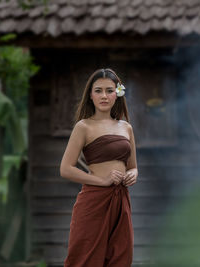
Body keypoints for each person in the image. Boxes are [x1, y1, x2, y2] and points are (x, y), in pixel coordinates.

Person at [59, 68, 138, 267]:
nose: (104, 96)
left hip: (121, 202)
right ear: (91, 95)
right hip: (93, 201)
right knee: (85, 259)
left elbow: (133, 166)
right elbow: (66, 169)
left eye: (109, 90)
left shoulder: (125, 127)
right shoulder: (83, 127)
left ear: (117, 94)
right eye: (98, 90)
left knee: (120, 258)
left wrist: (133, 174)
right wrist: (102, 181)